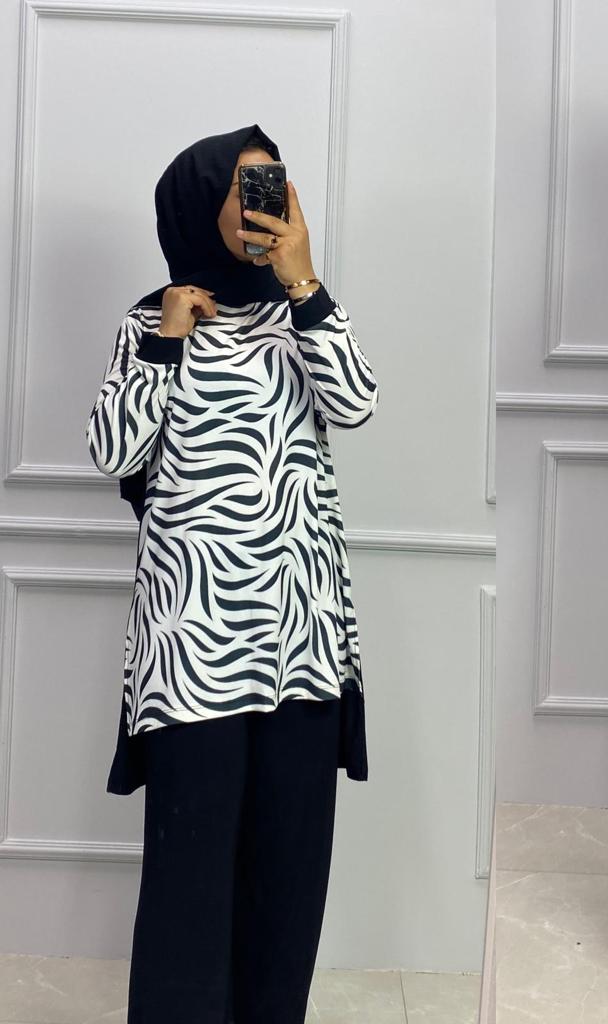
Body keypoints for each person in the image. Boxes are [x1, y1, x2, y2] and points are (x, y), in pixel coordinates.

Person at [84, 123, 379, 1023]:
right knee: (190, 878)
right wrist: (166, 342)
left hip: (302, 645)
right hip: (195, 654)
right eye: (247, 188)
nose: (265, 205)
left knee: (290, 873)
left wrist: (304, 280)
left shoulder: (303, 314)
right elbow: (113, 452)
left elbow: (357, 403)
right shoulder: (151, 321)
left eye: (275, 187)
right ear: (198, 203)